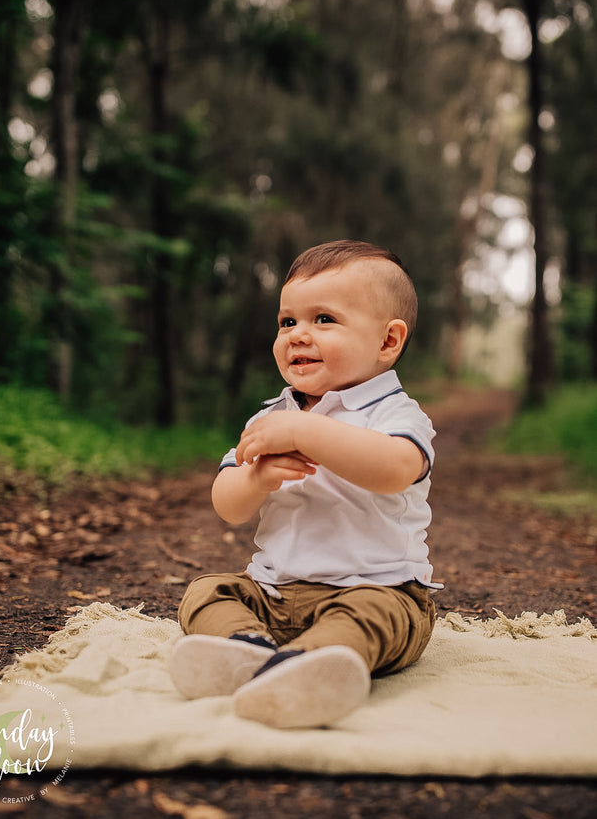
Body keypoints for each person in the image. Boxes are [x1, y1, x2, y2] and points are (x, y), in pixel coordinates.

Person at [168, 239, 440, 729]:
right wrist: (255, 477)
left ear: (387, 341)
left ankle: (311, 664)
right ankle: (247, 650)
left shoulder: (396, 414)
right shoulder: (274, 415)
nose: (298, 335)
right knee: (206, 592)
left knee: (373, 618)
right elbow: (227, 503)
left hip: (377, 589)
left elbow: (397, 467)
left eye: (324, 320)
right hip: (273, 595)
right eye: (287, 321)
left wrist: (308, 432)